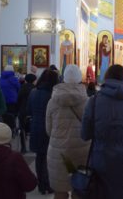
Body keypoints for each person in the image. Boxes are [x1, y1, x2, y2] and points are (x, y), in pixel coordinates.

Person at [81, 65, 123, 199]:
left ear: (106, 77)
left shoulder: (94, 101)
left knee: (100, 193)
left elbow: (85, 134)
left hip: (100, 158)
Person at [46, 65, 90, 199]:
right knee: (79, 189)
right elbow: (90, 129)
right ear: (79, 79)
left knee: (60, 190)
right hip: (82, 152)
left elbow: (48, 129)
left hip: (59, 152)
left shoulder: (52, 101)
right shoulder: (87, 101)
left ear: (63, 78)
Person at [28, 69, 59, 195]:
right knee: (48, 157)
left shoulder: (33, 92)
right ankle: (48, 184)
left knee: (39, 157)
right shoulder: (53, 94)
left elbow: (28, 110)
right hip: (49, 127)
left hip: (35, 127)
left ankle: (41, 184)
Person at [17, 73, 37, 154]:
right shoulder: (35, 89)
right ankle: (32, 147)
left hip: (22, 111)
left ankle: (23, 147)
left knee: (22, 129)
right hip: (31, 111)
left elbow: (18, 99)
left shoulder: (22, 87)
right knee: (32, 129)